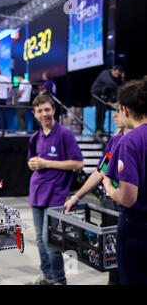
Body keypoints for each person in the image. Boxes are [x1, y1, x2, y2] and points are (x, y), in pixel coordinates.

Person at [64, 105, 131, 285]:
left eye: (119, 110)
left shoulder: (137, 140)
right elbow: (101, 172)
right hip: (112, 207)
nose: (115, 115)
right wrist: (76, 197)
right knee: (114, 259)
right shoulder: (115, 141)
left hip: (133, 212)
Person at [26, 94, 84, 285]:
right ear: (35, 114)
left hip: (56, 195)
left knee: (50, 241)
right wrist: (33, 164)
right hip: (37, 193)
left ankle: (59, 280)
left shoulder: (64, 134)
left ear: (54, 110)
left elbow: (78, 163)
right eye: (40, 111)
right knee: (40, 241)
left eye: (47, 109)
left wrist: (46, 163)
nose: (44, 114)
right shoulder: (35, 138)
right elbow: (31, 161)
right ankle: (48, 276)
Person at [101, 77, 147, 285]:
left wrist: (109, 187)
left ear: (125, 110)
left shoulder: (129, 141)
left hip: (137, 226)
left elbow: (128, 198)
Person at [91, 65, 125, 136]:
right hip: (96, 95)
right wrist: (119, 87)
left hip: (106, 96)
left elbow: (123, 85)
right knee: (100, 111)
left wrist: (122, 79)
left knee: (106, 111)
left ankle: (103, 129)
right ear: (112, 70)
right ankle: (99, 129)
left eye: (118, 75)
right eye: (115, 74)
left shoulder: (117, 77)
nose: (116, 76)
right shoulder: (105, 73)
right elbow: (111, 83)